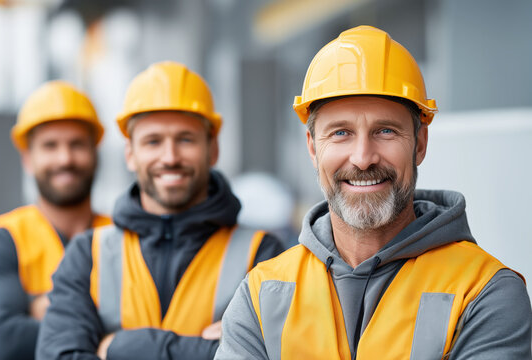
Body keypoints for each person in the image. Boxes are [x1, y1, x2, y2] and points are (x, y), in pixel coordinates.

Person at [215, 25, 532, 359]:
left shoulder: (484, 292)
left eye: (385, 131)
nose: (363, 158)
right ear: (312, 148)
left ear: (420, 144)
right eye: (340, 133)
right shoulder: (261, 294)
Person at [36, 61, 285, 360]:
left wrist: (121, 348)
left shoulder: (262, 255)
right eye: (153, 141)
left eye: (185, 139)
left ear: (213, 149)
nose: (170, 157)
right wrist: (212, 351)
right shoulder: (88, 255)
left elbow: (273, 355)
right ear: (130, 154)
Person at [0, 81, 112, 360]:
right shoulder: (2, 238)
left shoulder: (122, 235)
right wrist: (112, 333)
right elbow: (5, 340)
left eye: (77, 144)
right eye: (50, 145)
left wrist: (47, 311)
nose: (65, 158)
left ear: (95, 153)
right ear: (28, 159)